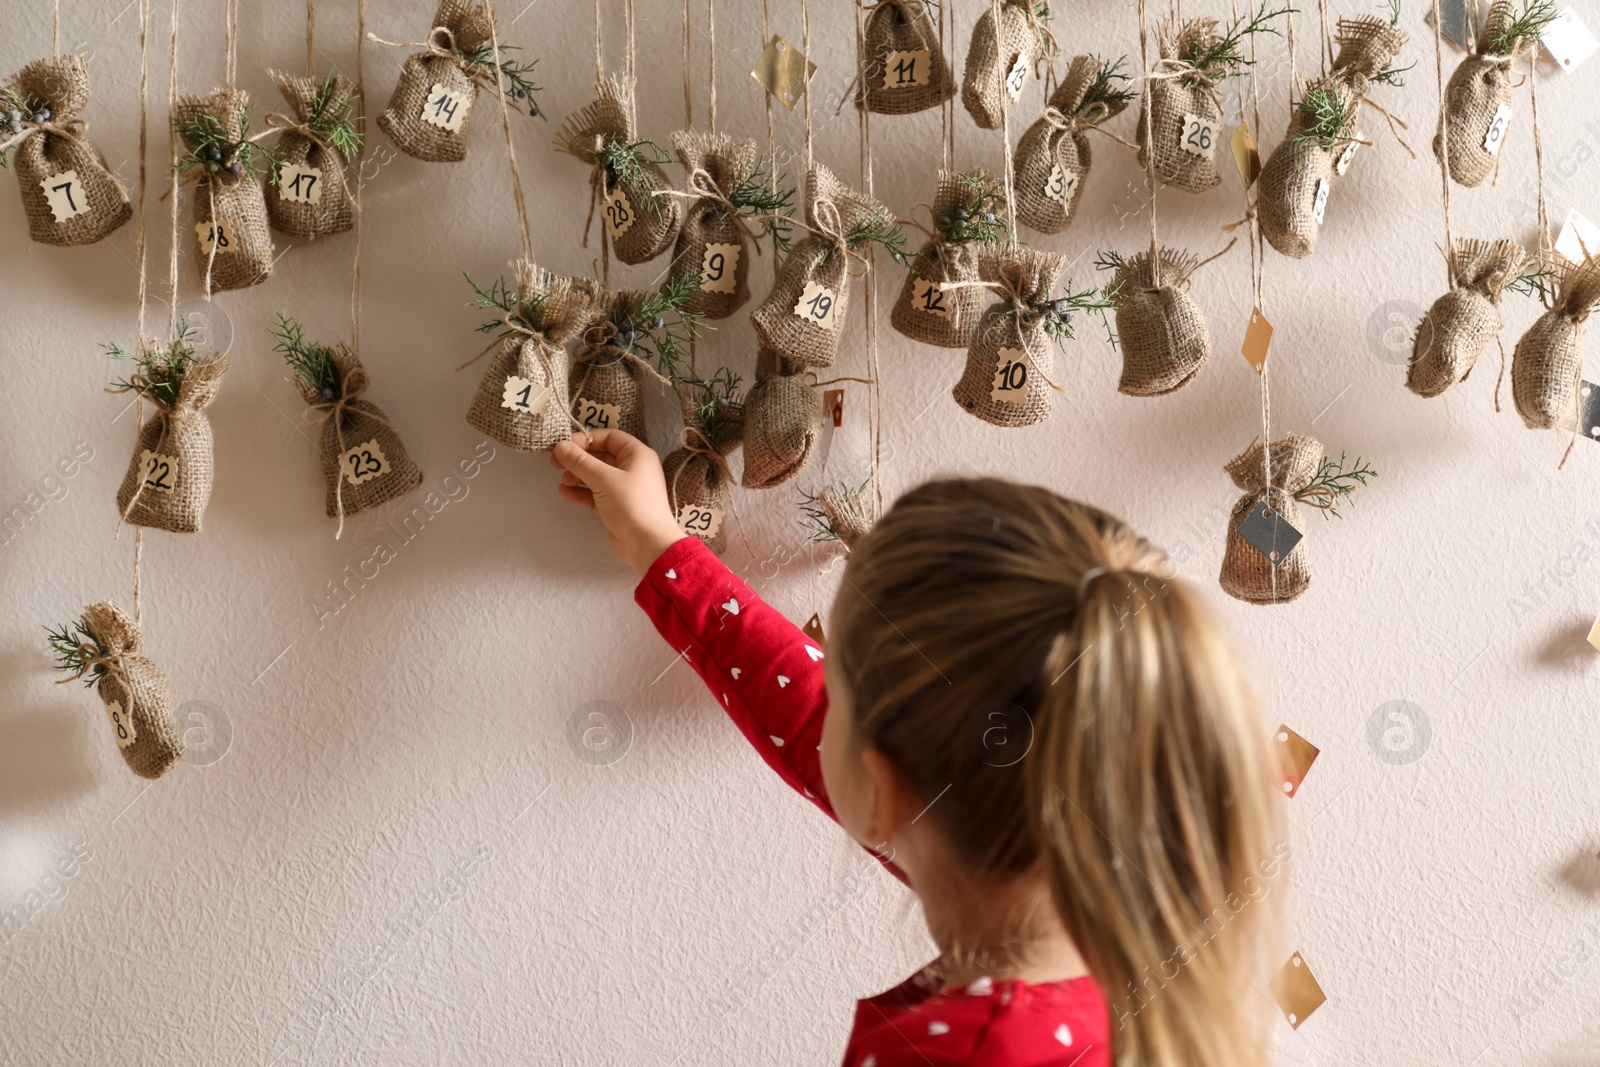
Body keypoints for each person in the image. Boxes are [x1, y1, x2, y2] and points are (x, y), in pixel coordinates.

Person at [551, 429, 1288, 1067]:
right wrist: (661, 547)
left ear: (882, 789)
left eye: (836, 668)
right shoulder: (1143, 922)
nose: (826, 700)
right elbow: (811, 716)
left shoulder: (954, 1053)